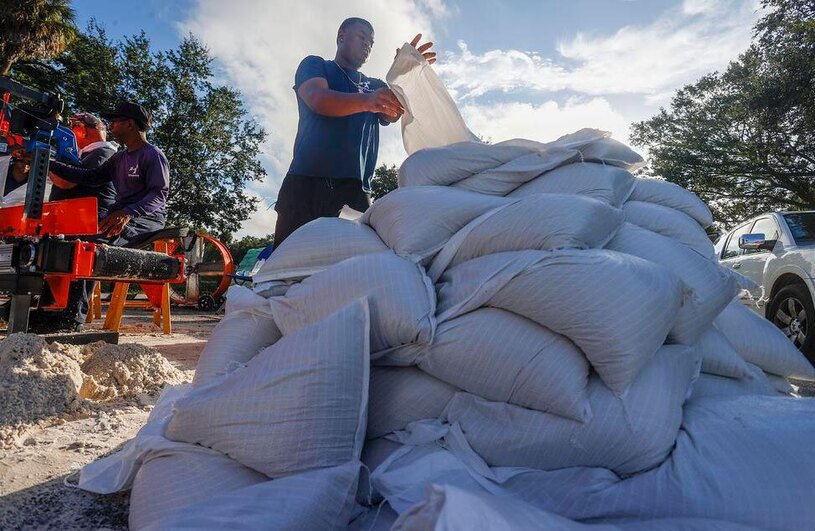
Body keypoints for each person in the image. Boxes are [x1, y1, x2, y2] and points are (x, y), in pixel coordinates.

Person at [272, 18, 436, 247]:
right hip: (306, 181)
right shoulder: (316, 65)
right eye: (362, 37)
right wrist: (367, 101)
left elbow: (393, 112)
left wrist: (405, 71)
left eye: (371, 42)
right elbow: (318, 99)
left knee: (351, 270)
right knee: (285, 266)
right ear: (341, 35)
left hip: (355, 191)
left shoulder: (376, 85)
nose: (367, 45)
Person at [34, 101, 170, 331]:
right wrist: (46, 161)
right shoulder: (119, 158)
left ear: (129, 124)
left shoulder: (152, 154)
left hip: (147, 216)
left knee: (89, 247)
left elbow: (159, 194)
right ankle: (46, 312)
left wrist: (128, 212)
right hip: (121, 213)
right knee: (68, 242)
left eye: (115, 121)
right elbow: (90, 176)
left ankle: (70, 319)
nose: (111, 125)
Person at [49, 112, 117, 219]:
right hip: (75, 221)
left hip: (88, 223)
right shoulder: (89, 154)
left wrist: (42, 159)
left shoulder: (103, 153)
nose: (70, 131)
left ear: (82, 131)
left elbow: (65, 182)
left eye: (72, 127)